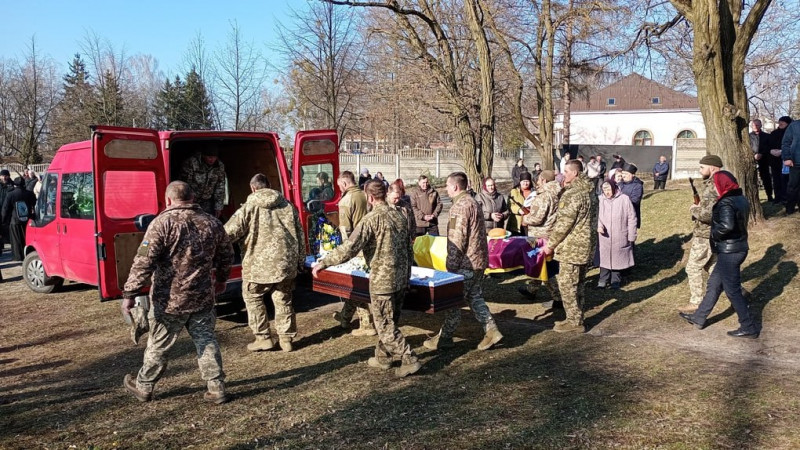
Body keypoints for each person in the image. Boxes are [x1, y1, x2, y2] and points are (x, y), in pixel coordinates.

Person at [121, 181, 234, 404]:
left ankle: (144, 386)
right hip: (202, 297)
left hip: (169, 300)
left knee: (159, 344)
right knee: (206, 341)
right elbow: (226, 255)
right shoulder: (212, 223)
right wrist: (221, 280)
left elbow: (144, 261)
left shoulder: (160, 224)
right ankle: (216, 387)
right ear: (193, 197)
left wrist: (129, 294)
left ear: (168, 200)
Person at [313, 180, 421, 377]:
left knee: (385, 325)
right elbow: (408, 248)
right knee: (389, 321)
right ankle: (383, 357)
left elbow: (350, 247)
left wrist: (324, 262)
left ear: (370, 197)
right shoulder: (399, 215)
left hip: (382, 282)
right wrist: (407, 276)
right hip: (400, 278)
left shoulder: (371, 219)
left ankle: (409, 358)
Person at [224, 174, 304, 352]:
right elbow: (300, 235)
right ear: (269, 185)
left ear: (253, 188)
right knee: (283, 299)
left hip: (258, 266)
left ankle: (263, 337)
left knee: (253, 298)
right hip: (285, 264)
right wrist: (300, 261)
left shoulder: (248, 207)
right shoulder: (288, 205)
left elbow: (228, 233)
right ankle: (286, 340)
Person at [424, 172, 503, 351]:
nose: (445, 189)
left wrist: (450, 266)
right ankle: (491, 331)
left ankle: (444, 338)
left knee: (453, 301)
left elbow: (456, 240)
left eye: (447, 185)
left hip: (465, 264)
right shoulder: (474, 202)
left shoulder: (459, 207)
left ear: (455, 187)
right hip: (478, 260)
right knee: (474, 297)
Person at [679, 171, 757, 339]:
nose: (713, 187)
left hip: (730, 251)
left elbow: (727, 226)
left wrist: (714, 233)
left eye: (715, 184)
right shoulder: (741, 198)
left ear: (722, 184)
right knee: (714, 284)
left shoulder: (726, 202)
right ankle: (699, 317)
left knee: (733, 291)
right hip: (736, 248)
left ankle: (748, 326)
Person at [542, 160, 597, 333]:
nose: (563, 174)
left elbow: (564, 224)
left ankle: (574, 322)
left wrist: (550, 245)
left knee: (566, 284)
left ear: (574, 173)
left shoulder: (574, 194)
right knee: (579, 284)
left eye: (566, 171)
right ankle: (576, 317)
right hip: (586, 245)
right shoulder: (590, 190)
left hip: (572, 248)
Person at [679, 155, 723, 313]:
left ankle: (696, 301)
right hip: (711, 233)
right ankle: (738, 291)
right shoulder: (716, 183)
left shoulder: (713, 186)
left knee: (692, 268)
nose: (700, 170)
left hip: (705, 234)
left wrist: (694, 209)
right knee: (713, 268)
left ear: (712, 168)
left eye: (702, 167)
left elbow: (707, 214)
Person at [332, 171, 375, 335]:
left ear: (343, 183)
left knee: (356, 285)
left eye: (339, 186)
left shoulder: (346, 201)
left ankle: (366, 324)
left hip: (356, 248)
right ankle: (345, 316)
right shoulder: (365, 195)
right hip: (369, 244)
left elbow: (346, 230)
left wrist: (344, 252)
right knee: (359, 284)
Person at [519, 169, 563, 307]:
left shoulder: (544, 195)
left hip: (540, 235)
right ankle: (532, 289)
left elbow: (538, 218)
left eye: (538, 180)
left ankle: (558, 297)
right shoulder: (558, 192)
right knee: (537, 263)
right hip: (549, 233)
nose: (536, 182)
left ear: (543, 180)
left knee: (547, 267)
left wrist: (525, 218)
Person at [595, 178, 637, 289]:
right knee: (603, 258)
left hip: (620, 235)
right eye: (604, 189)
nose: (607, 191)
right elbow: (596, 216)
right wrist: (599, 226)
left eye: (608, 188)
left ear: (614, 188)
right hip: (604, 236)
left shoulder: (624, 199)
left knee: (617, 258)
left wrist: (631, 235)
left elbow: (632, 218)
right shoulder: (600, 200)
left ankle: (615, 281)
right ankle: (603, 280)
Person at [180, 146, 226, 217]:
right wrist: (186, 202)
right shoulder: (192, 163)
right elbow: (184, 184)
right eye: (209, 157)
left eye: (214, 157)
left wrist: (218, 207)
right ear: (203, 155)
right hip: (191, 201)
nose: (212, 159)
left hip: (207, 201)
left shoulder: (219, 166)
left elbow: (220, 186)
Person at [2, 177, 37, 261]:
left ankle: (18, 257)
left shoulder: (11, 194)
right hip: (27, 220)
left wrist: (3, 220)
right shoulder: (29, 193)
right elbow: (35, 205)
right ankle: (27, 255)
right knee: (26, 238)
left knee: (16, 240)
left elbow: (5, 208)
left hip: (15, 220)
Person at [750, 119, 776, 202]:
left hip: (765, 160)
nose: (755, 127)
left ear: (760, 125)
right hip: (752, 160)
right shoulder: (748, 136)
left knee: (766, 178)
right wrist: (753, 155)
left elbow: (769, 147)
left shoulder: (767, 136)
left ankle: (769, 195)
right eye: (753, 125)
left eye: (757, 125)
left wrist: (762, 154)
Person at [770, 116, 793, 204]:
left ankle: (787, 198)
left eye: (783, 122)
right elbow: (769, 144)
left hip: (786, 159)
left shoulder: (791, 133)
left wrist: (782, 151)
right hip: (774, 160)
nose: (780, 124)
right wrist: (771, 150)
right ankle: (778, 197)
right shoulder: (774, 133)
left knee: (786, 180)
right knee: (776, 180)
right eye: (779, 122)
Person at [507, 172, 535, 236]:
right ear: (520, 181)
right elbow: (510, 205)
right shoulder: (514, 192)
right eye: (524, 181)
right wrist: (518, 210)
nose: (525, 183)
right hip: (516, 224)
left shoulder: (534, 193)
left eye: (527, 181)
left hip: (530, 224)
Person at [781, 118, 800, 215]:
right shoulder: (794, 126)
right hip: (796, 161)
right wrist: (787, 158)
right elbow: (786, 143)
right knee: (793, 186)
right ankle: (790, 208)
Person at [619, 163, 643, 228]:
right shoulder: (619, 184)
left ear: (632, 175)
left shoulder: (637, 186)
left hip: (630, 216)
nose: (623, 176)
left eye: (626, 174)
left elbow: (634, 201)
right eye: (622, 173)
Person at [0, 169, 14, 246]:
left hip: (9, 211)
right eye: (2, 176)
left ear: (8, 176)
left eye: (6, 176)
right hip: (0, 210)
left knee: (8, 229)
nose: (4, 177)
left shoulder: (12, 185)